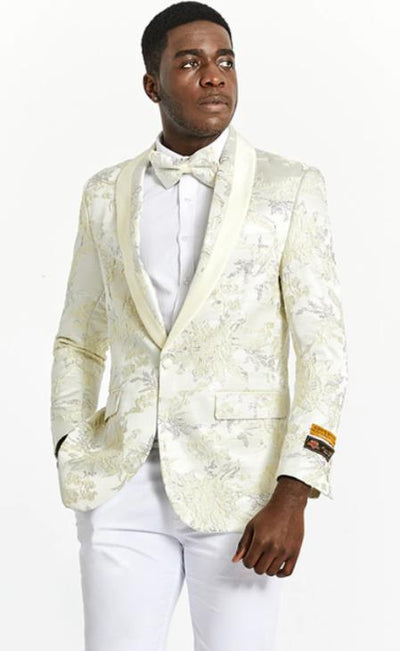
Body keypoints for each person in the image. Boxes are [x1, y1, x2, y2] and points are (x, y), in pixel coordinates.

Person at [50, 2, 348, 649]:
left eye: (225, 60)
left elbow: (323, 348)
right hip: (121, 480)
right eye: (189, 62)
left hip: (246, 489)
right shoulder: (106, 191)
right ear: (152, 84)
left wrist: (296, 487)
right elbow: (78, 338)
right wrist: (70, 445)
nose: (214, 75)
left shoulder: (290, 187)